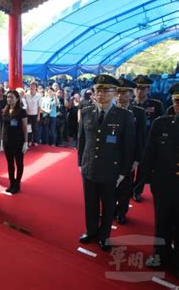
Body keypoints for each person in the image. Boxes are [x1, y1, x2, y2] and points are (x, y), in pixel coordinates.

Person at [78, 74, 135, 252]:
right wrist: (81, 163)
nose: (100, 94)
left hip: (111, 169)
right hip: (89, 167)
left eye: (105, 90)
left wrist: (123, 172)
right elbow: (82, 140)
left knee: (108, 204)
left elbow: (128, 146)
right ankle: (91, 231)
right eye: (97, 90)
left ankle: (104, 236)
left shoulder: (124, 116)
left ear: (114, 92)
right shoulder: (87, 111)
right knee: (90, 202)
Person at [141, 82, 179, 277]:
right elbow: (150, 153)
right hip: (163, 184)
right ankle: (160, 254)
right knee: (162, 222)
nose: (178, 104)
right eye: (176, 100)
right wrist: (143, 180)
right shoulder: (161, 123)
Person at [114, 78, 146, 224]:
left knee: (125, 187)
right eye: (118, 92)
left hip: (129, 156)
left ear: (131, 94)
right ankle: (111, 210)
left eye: (124, 93)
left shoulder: (138, 112)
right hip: (112, 155)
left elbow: (141, 137)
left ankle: (122, 212)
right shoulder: (111, 110)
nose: (120, 96)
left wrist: (137, 159)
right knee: (110, 186)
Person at [131, 75, 164, 202]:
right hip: (132, 142)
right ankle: (127, 189)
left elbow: (160, 124)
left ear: (148, 90)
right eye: (137, 88)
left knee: (143, 170)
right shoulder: (129, 104)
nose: (140, 91)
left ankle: (137, 190)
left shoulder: (156, 104)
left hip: (148, 142)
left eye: (143, 89)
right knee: (129, 168)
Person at [2, 90, 28, 194]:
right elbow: (3, 126)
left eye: (11, 97)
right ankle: (11, 182)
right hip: (7, 141)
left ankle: (17, 183)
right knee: (10, 163)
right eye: (8, 97)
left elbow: (25, 127)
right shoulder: (5, 110)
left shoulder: (22, 111)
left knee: (19, 163)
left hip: (18, 141)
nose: (9, 99)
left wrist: (26, 142)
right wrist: (1, 139)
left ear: (17, 99)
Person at [25, 81, 41, 146]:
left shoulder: (38, 95)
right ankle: (29, 141)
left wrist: (38, 115)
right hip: (28, 114)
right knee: (29, 128)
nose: (32, 87)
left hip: (35, 114)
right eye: (31, 86)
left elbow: (39, 106)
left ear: (36, 87)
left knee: (35, 128)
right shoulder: (26, 94)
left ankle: (35, 141)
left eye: (33, 86)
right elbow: (25, 104)